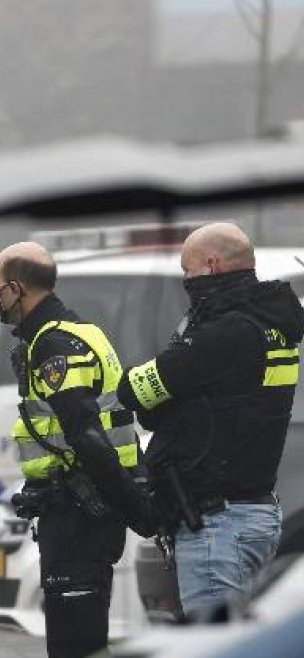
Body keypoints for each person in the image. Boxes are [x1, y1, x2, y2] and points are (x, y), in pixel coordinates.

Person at [117, 222, 304, 616]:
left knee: (214, 642)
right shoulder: (272, 325)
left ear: (213, 265)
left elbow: (133, 390)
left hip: (219, 526)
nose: (186, 281)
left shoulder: (226, 333)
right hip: (254, 512)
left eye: (188, 270)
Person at [0, 242, 155, 658]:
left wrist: (138, 509)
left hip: (80, 513)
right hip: (80, 510)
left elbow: (87, 435)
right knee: (82, 649)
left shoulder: (54, 345)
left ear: (15, 289)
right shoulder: (79, 330)